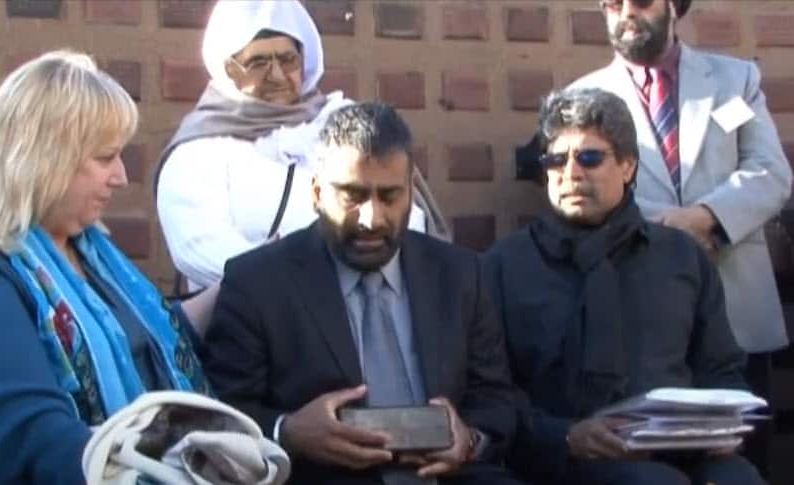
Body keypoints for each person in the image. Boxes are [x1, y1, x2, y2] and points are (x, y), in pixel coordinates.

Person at [0, 50, 216, 484]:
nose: (121, 176)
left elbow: (145, 337)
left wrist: (245, 283)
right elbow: (38, 439)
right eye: (105, 158)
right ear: (45, 159)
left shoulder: (88, 250)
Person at [203, 103, 521, 484]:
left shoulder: (461, 274)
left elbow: (497, 399)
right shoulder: (257, 282)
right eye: (353, 195)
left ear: (410, 194)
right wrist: (287, 432)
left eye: (389, 196)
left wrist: (468, 439)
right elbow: (222, 415)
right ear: (318, 193)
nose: (372, 219)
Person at [481, 87, 763, 485]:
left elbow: (721, 368)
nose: (571, 173)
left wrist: (726, 427)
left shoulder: (680, 258)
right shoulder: (503, 267)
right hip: (564, 457)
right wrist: (564, 435)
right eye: (556, 160)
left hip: (684, 451)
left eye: (590, 158)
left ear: (628, 166)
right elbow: (490, 392)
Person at [155, 0, 448, 294]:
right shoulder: (199, 150)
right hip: (254, 319)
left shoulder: (343, 124)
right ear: (229, 69)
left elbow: (407, 219)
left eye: (288, 59)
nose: (278, 75)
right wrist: (299, 288)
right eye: (259, 63)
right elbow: (199, 248)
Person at [570, 0, 791, 369]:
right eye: (612, 4)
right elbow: (589, 194)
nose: (626, 13)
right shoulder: (582, 99)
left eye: (641, 1)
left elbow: (771, 172)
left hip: (737, 312)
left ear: (675, 7)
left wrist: (705, 218)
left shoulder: (735, 81)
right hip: (640, 320)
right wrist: (674, 233)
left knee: (748, 426)